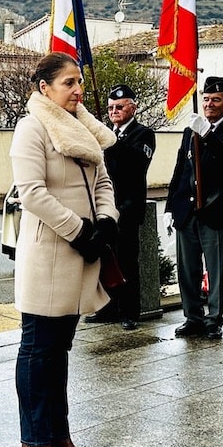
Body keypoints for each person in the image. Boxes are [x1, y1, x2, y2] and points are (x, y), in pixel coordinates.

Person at [11, 52, 117, 447]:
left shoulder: (83, 129)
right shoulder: (32, 127)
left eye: (78, 82)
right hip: (49, 254)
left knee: (60, 352)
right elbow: (32, 193)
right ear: (44, 88)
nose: (78, 90)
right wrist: (80, 229)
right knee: (38, 351)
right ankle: (34, 440)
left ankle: (59, 435)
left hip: (82, 254)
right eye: (68, 83)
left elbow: (104, 180)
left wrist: (106, 222)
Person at [164, 75, 223, 339]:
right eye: (206, 100)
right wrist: (171, 206)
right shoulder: (190, 130)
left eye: (215, 100)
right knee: (187, 270)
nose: (209, 105)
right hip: (187, 210)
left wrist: (208, 135)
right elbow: (181, 168)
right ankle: (193, 317)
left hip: (215, 210)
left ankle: (214, 319)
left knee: (215, 269)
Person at [90, 84, 156, 331]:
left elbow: (137, 162)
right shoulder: (108, 134)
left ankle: (130, 312)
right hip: (105, 207)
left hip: (128, 207)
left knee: (127, 262)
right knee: (106, 259)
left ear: (133, 108)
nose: (114, 111)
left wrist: (111, 140)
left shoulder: (143, 133)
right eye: (110, 108)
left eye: (119, 106)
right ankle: (108, 308)